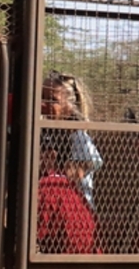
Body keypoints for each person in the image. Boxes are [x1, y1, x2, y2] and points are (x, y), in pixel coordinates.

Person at [41, 72, 104, 208]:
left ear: (69, 107)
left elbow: (86, 166)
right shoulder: (46, 133)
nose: (43, 104)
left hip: (75, 208)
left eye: (52, 100)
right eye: (42, 97)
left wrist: (53, 166)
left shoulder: (78, 137)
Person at [35, 129, 96, 254]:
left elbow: (39, 230)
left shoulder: (47, 185)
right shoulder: (72, 188)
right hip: (90, 252)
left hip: (66, 255)